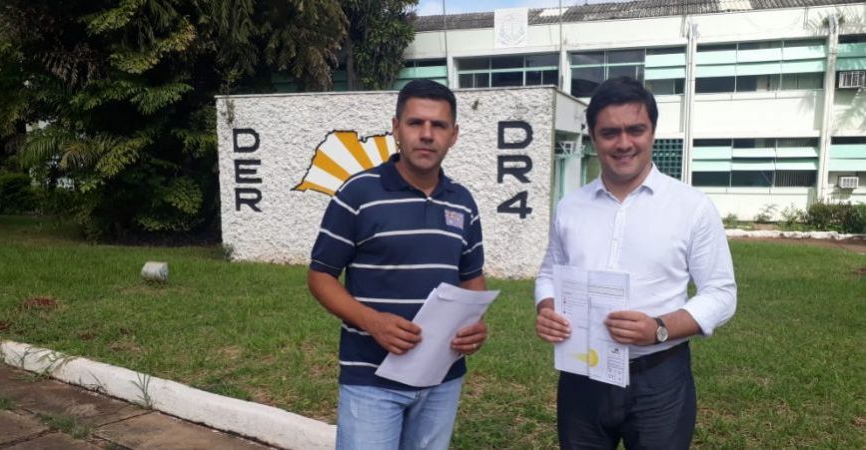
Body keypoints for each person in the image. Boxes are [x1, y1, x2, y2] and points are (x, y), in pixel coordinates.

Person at [534, 76, 737, 450]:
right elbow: (550, 272)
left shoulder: (691, 207)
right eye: (610, 132)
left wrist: (659, 328)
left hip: (658, 378)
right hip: (582, 376)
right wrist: (547, 307)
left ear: (653, 132)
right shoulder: (570, 207)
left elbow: (721, 293)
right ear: (593, 137)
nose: (624, 143)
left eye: (635, 130)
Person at [308, 79, 487, 450]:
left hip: (442, 378)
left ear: (453, 135)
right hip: (371, 379)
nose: (427, 134)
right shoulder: (358, 193)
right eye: (415, 123)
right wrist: (372, 321)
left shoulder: (463, 202)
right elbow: (320, 275)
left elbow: (472, 277)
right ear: (396, 128)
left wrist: (474, 324)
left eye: (438, 125)